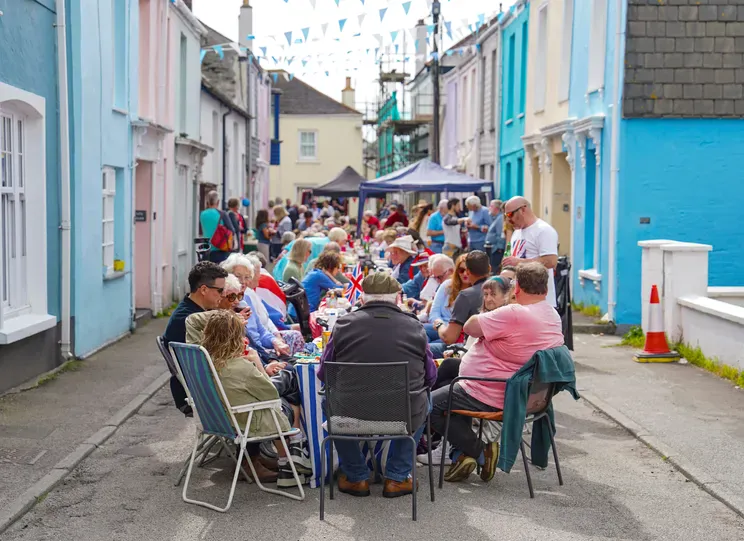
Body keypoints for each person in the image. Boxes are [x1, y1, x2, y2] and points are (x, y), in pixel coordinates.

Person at [431, 262, 564, 483]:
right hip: (528, 391)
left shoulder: (514, 313)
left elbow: (470, 327)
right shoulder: (552, 314)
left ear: (517, 289)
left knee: (429, 405)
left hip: (493, 390)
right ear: (546, 290)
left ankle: (479, 451)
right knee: (448, 370)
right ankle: (459, 453)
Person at [318, 273, 437, 498]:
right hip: (403, 413)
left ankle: (356, 476)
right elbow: (430, 376)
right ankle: (397, 477)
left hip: (351, 412)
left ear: (363, 298)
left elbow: (325, 373)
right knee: (425, 401)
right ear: (396, 299)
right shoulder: (414, 325)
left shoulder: (343, 324)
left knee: (329, 402)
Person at [419, 276, 513, 466]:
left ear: (508, 296)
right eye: (485, 294)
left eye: (493, 294)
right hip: (475, 380)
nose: (488, 299)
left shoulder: (501, 320)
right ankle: (453, 448)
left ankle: (476, 451)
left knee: (427, 403)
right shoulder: (488, 318)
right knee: (445, 375)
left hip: (486, 387)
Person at [163, 262, 229, 416]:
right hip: (201, 393)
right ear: (204, 290)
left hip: (198, 388)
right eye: (220, 291)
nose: (223, 295)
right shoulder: (189, 319)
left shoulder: (189, 311)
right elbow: (215, 360)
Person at [431, 251, 491, 358]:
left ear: (468, 272)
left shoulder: (466, 295)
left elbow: (449, 338)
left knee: (424, 349)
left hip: (472, 350)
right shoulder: (503, 286)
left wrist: (439, 325)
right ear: (489, 268)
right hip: (498, 348)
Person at [502, 196, 559, 307]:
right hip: (520, 298)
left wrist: (519, 262)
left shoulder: (543, 230)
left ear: (523, 209)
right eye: (505, 216)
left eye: (510, 215)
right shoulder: (517, 233)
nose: (508, 220)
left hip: (539, 300)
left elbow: (551, 261)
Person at [424, 254, 468, 341]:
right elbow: (434, 312)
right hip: (438, 326)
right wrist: (440, 325)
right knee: (418, 333)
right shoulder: (447, 285)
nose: (465, 273)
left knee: (427, 344)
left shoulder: (475, 291)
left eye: (469, 270)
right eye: (461, 270)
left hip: (456, 333)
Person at [200, 191, 236, 264]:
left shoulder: (202, 214)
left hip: (206, 250)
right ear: (218, 202)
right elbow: (232, 230)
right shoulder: (222, 214)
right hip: (220, 250)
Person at [485, 199, 505, 272]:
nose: (489, 208)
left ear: (497, 208)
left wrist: (499, 248)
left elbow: (501, 234)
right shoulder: (496, 218)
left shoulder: (500, 218)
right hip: (493, 249)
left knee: (494, 269)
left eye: (491, 206)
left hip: (497, 250)